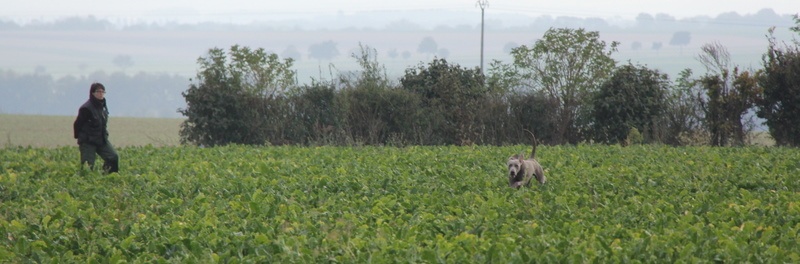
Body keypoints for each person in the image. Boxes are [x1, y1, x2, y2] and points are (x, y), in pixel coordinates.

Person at [73, 82, 119, 173]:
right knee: (87, 167)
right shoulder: (86, 108)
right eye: (98, 91)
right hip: (88, 141)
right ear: (92, 93)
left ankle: (107, 178)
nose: (101, 93)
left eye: (103, 91)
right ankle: (85, 184)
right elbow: (77, 124)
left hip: (101, 139)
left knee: (113, 157)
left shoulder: (103, 107)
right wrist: (81, 139)